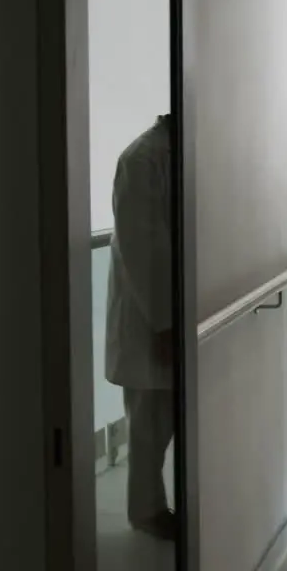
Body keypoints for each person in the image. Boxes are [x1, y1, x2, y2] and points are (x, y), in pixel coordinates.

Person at [106, 114, 175, 541]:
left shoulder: (168, 155)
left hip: (167, 314)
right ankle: (146, 512)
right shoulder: (142, 158)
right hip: (150, 318)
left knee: (161, 420)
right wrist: (165, 325)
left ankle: (153, 507)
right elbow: (143, 247)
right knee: (149, 423)